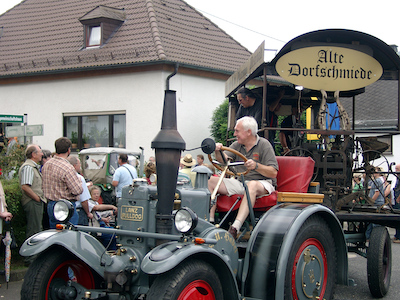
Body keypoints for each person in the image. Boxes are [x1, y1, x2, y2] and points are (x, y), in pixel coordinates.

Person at [208, 116, 278, 239]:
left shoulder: (264, 145)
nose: (235, 134)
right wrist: (218, 151)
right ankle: (210, 221)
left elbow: (273, 173)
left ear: (248, 132)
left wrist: (256, 166)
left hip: (262, 183)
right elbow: (224, 162)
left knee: (251, 185)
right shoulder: (237, 145)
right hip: (242, 182)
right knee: (211, 181)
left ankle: (235, 228)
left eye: (237, 131)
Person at [42, 137, 83, 228]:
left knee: (54, 233)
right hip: (65, 207)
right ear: (69, 150)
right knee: (68, 234)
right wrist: (79, 182)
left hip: (51, 204)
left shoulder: (47, 164)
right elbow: (77, 190)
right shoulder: (67, 167)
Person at [18, 145, 47, 239]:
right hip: (32, 202)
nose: (42, 154)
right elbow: (25, 187)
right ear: (33, 154)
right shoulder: (28, 167)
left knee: (37, 228)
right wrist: (37, 198)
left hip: (35, 202)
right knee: (34, 231)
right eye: (40, 152)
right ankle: (33, 253)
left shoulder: (32, 167)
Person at [67, 155, 93, 225]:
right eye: (79, 164)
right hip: (78, 211)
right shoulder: (79, 178)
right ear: (75, 165)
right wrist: (88, 213)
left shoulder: (65, 175)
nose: (80, 166)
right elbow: (84, 200)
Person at [393, 164, 400, 243]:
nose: (395, 170)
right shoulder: (398, 177)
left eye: (397, 168)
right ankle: (397, 236)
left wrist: (398, 199)